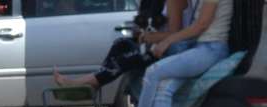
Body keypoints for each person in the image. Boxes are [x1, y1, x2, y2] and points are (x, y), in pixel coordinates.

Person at [108, 0, 233, 107]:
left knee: (153, 72)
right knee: (164, 88)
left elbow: (200, 26)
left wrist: (168, 40)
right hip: (200, 48)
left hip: (212, 48)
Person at [52, 0, 197, 90]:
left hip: (169, 51)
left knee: (124, 61)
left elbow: (177, 34)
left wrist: (150, 37)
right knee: (120, 44)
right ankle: (96, 80)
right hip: (153, 46)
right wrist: (140, 33)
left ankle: (86, 82)